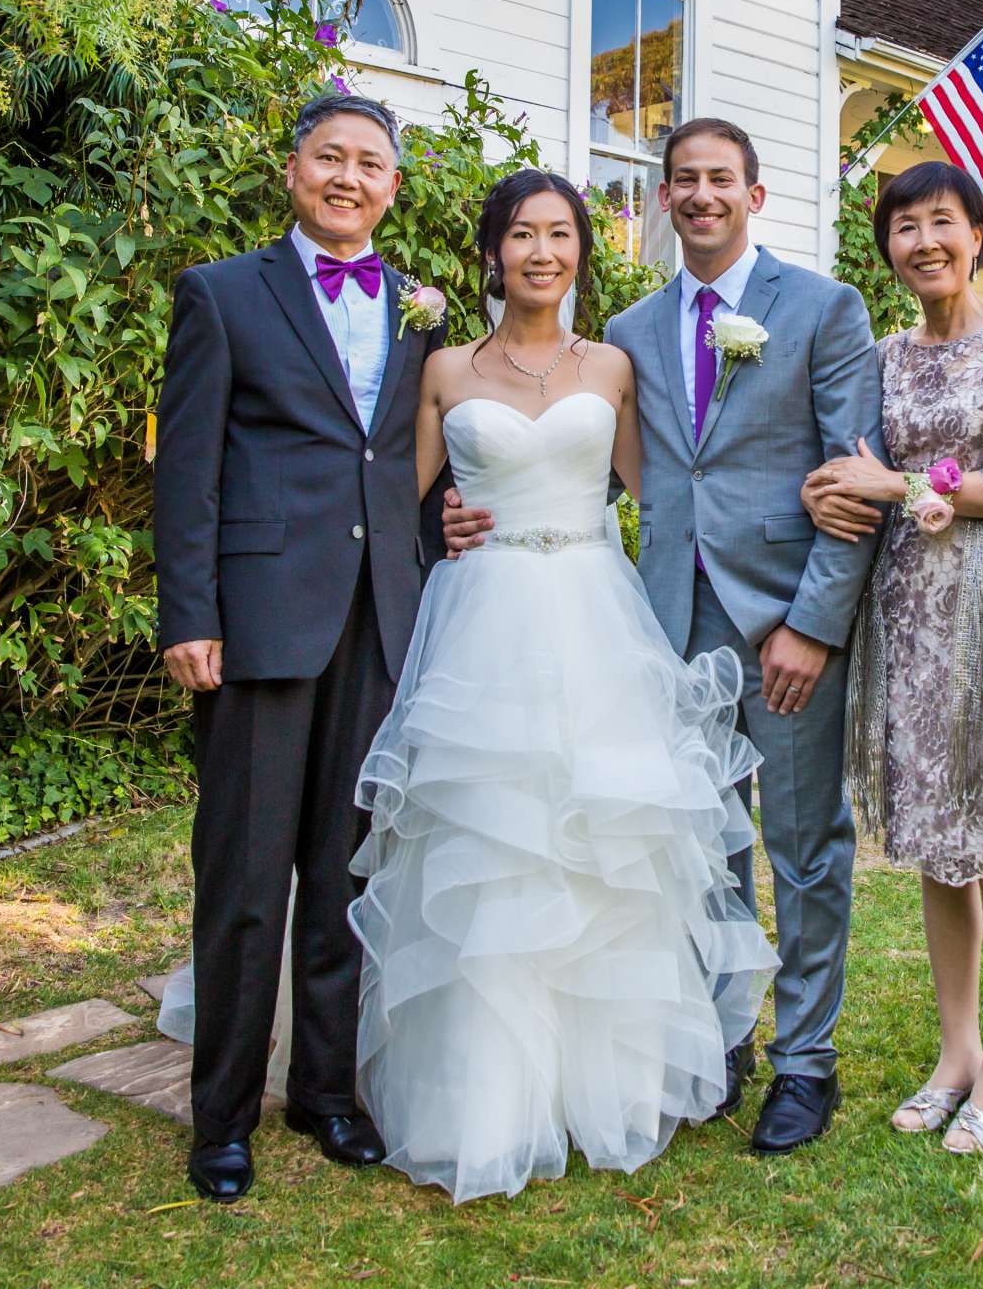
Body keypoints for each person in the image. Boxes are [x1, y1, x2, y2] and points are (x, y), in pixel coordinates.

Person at [445, 118, 883, 1155]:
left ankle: (805, 1062)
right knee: (698, 842)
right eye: (682, 179)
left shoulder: (822, 309)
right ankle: (719, 1038)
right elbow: (590, 458)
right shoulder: (632, 330)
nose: (699, 195)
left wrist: (811, 628)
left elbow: (852, 486)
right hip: (661, 625)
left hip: (781, 625)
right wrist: (461, 517)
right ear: (662, 199)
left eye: (719, 179)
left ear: (755, 195)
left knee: (804, 848)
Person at [351, 171, 776, 1203]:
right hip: (484, 615)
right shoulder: (445, 366)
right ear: (492, 251)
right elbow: (392, 501)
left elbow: (668, 492)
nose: (542, 252)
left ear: (584, 249)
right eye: (522, 235)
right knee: (491, 841)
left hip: (595, 613)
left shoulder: (620, 366)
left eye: (561, 234)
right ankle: (485, 1095)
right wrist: (443, 521)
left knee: (601, 844)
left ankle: (614, 1079)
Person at [152, 91, 442, 1203]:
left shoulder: (418, 309)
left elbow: (405, 460)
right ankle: (219, 1114)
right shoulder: (222, 295)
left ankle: (325, 1092)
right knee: (241, 877)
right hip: (261, 622)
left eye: (371, 163)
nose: (350, 177)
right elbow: (188, 470)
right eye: (331, 157)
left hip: (378, 618)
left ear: (392, 187)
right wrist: (190, 613)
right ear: (293, 170)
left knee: (341, 870)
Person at [798, 160, 983, 1156]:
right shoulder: (880, 355)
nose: (923, 242)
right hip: (908, 611)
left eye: (940, 221)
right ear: (889, 250)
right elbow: (851, 471)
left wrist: (903, 485)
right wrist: (838, 493)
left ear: (977, 232)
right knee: (938, 839)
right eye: (903, 228)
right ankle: (953, 1055)